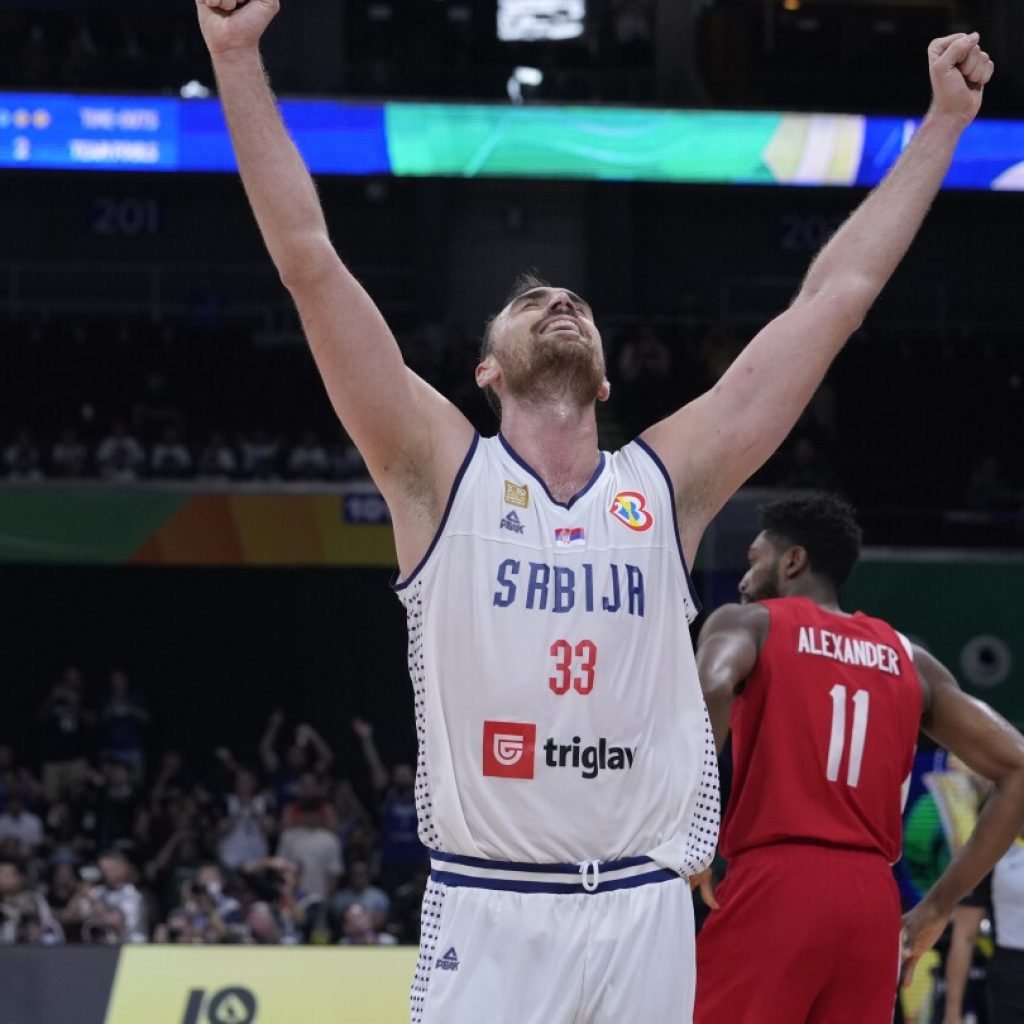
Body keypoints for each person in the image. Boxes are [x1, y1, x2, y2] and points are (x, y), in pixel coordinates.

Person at [195, 2, 992, 1018]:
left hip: (641, 907)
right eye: (529, 304)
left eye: (571, 301)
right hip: (492, 907)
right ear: (487, 369)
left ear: (608, 379)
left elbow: (834, 298)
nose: (557, 300)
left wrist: (940, 126)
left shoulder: (664, 484)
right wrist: (234, 56)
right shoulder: (436, 472)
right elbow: (309, 261)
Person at [693, 493, 1024, 1024]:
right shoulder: (908, 657)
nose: (742, 580)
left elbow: (710, 687)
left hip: (777, 883)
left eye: (754, 561)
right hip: (873, 900)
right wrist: (938, 907)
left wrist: (694, 831)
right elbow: (1018, 766)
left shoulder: (751, 622)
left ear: (792, 561)